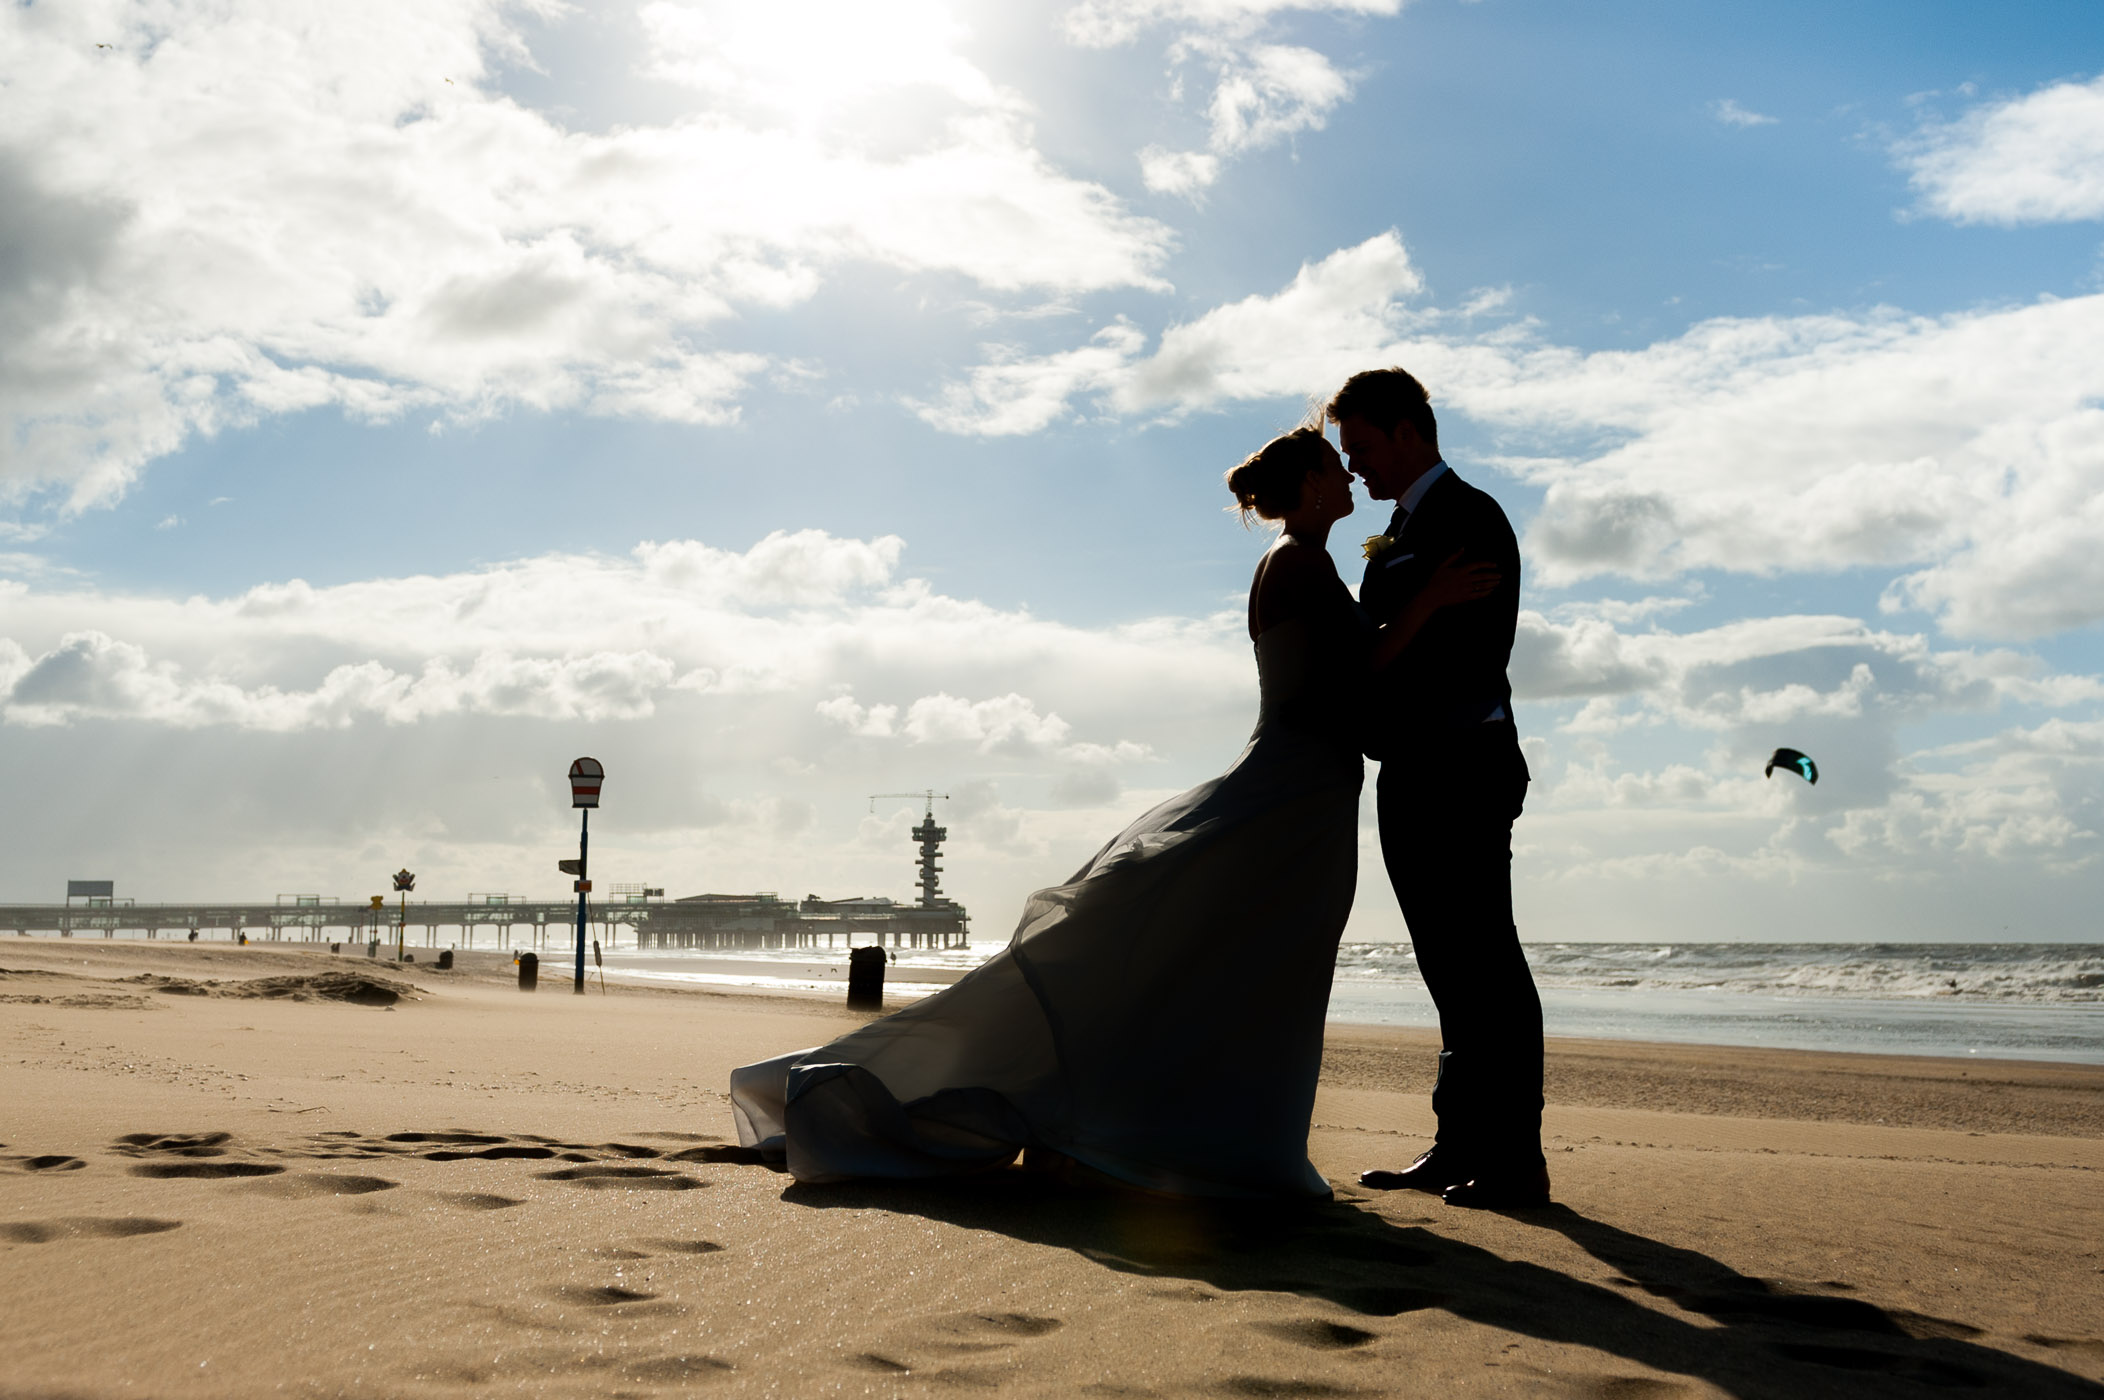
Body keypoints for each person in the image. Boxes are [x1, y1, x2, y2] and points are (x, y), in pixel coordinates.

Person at [728, 426, 1492, 1197]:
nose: (1350, 472)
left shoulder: (1302, 561)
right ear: (1312, 486)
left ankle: (1183, 1129)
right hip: (1296, 790)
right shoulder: (1298, 562)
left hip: (1308, 788)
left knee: (1247, 967)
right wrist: (1426, 604)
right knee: (1251, 966)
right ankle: (1168, 1135)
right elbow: (1346, 681)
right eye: (1336, 464)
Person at [1327, 367, 1548, 1209]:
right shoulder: (1400, 528)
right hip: (1410, 767)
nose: (1355, 468)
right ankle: (1457, 1144)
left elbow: (1457, 649)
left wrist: (1395, 630)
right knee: (1445, 965)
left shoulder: (1470, 517)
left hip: (1463, 763)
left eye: (1365, 448)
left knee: (1487, 959)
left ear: (1410, 432)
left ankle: (1515, 1159)